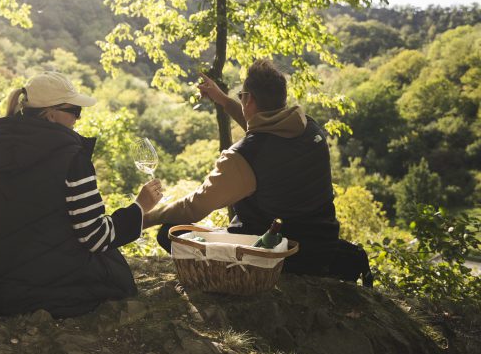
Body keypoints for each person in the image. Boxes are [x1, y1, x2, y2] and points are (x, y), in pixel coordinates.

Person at [144, 59, 368, 281]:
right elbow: (264, 133)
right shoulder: (309, 129)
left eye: (242, 96)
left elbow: (193, 207)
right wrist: (224, 100)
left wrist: (142, 219)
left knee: (171, 232)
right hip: (321, 249)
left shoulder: (244, 157)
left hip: (274, 253)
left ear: (249, 99)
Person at [0, 71, 164, 318]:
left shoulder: (0, 146)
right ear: (50, 114)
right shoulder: (72, 157)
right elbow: (95, 237)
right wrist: (139, 207)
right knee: (112, 265)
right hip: (38, 285)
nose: (78, 119)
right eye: (75, 111)